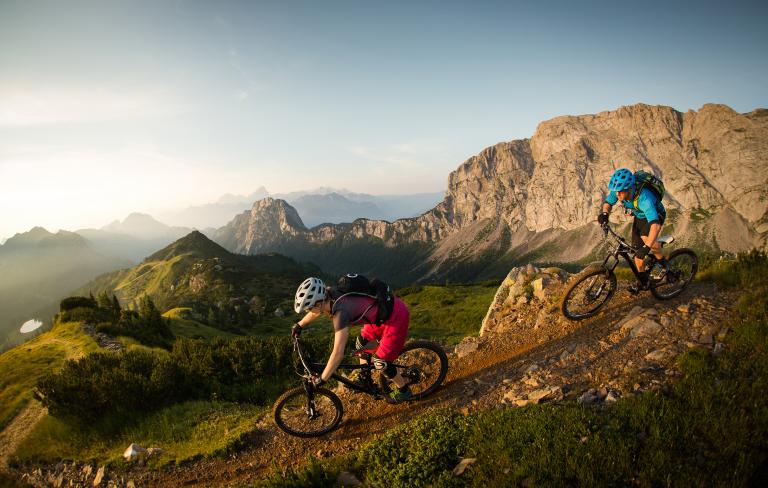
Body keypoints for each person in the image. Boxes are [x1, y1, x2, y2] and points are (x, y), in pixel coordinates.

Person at [291, 277, 413, 402]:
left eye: (309, 308)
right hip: (378, 318)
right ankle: (365, 379)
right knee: (362, 344)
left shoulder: (340, 312)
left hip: (396, 317)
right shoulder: (329, 293)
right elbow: (316, 310)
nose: (308, 311)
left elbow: (338, 353)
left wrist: (323, 379)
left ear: (318, 303)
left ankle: (404, 391)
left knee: (380, 362)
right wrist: (300, 325)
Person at [598, 168, 667, 292]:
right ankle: (642, 281)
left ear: (629, 188)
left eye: (620, 192)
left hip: (656, 215)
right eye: (616, 191)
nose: (617, 195)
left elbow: (655, 225)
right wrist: (604, 214)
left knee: (646, 240)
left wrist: (646, 248)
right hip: (640, 216)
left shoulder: (645, 199)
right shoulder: (619, 190)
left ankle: (662, 263)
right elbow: (608, 203)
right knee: (637, 253)